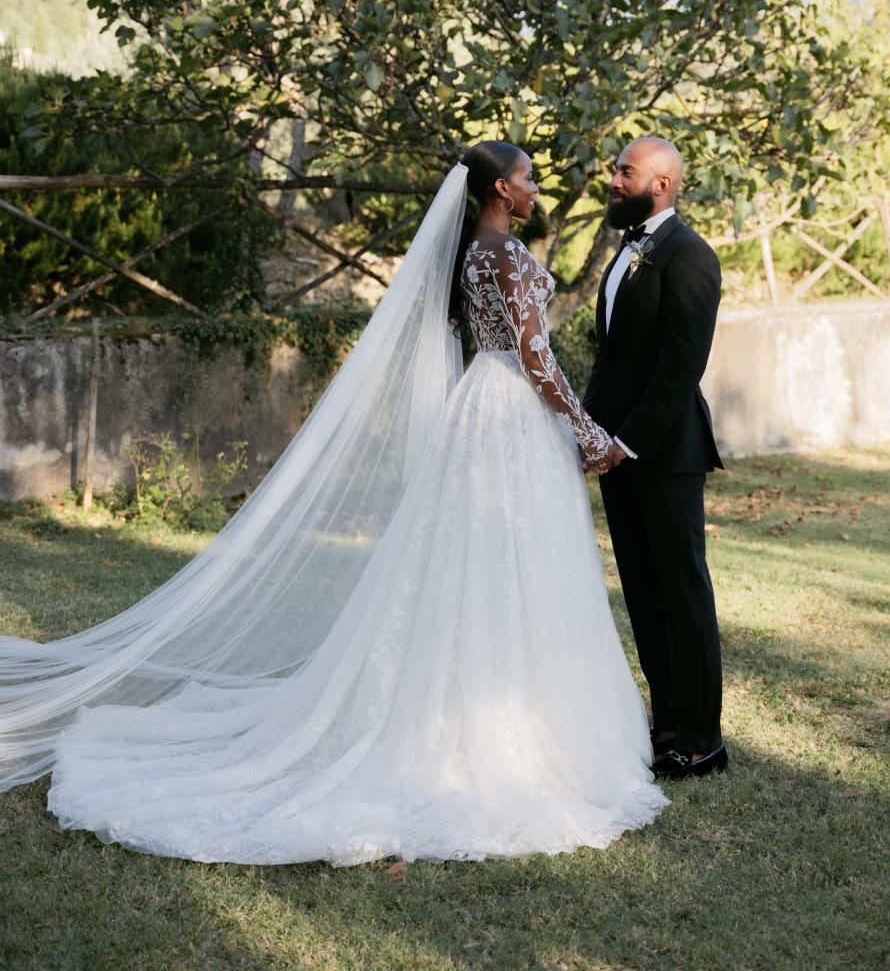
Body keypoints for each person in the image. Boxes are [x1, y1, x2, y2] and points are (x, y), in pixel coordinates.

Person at [0, 142, 667, 865]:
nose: (540, 190)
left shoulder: (475, 249)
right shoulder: (502, 254)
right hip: (509, 413)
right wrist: (588, 430)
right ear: (503, 189)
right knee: (513, 558)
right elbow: (536, 358)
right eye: (531, 180)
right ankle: (510, 728)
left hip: (482, 407)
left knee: (475, 559)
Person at [583, 136, 726, 780]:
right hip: (616, 450)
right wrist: (590, 429)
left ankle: (701, 740)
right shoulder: (628, 249)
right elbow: (614, 359)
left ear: (662, 183)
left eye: (625, 171)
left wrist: (626, 440)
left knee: (682, 589)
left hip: (663, 451)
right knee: (642, 589)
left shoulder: (689, 255)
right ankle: (665, 720)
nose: (613, 179)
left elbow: (679, 368)